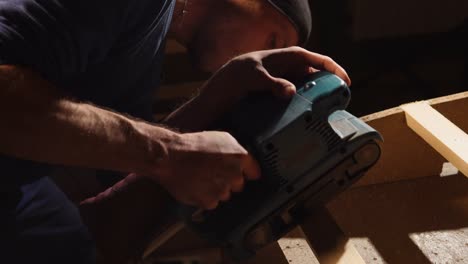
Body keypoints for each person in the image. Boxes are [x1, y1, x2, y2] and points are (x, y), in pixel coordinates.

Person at [0, 0, 350, 263]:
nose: (265, 53)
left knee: (75, 244)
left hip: (17, 187)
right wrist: (168, 152)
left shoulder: (146, 52)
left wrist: (217, 98)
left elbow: (114, 188)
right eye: (272, 38)